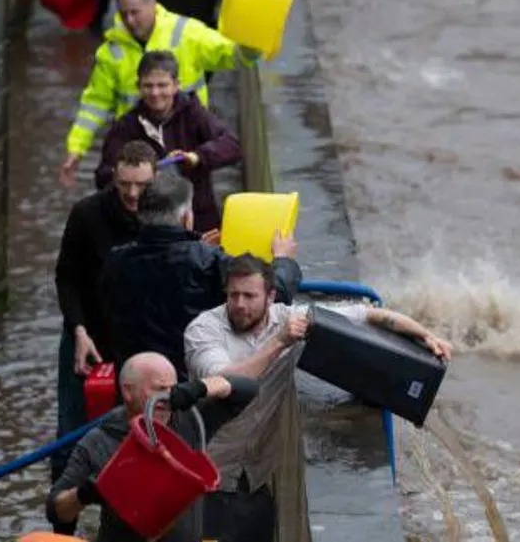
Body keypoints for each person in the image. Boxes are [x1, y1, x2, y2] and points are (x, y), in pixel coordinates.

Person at [184, 253, 452, 542]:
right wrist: (279, 343)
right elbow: (227, 383)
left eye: (249, 296)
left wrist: (426, 336)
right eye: (233, 295)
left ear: (270, 296)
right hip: (207, 474)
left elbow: (367, 314)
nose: (239, 304)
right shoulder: (203, 331)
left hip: (256, 476)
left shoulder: (287, 317)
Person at [100, 172, 301, 380]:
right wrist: (283, 259)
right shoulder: (207, 260)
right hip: (195, 388)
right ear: (186, 216)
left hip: (135, 381)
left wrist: (196, 244)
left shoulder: (115, 260)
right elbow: (273, 293)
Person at [61, 0, 259, 187]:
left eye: (135, 12)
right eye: (123, 14)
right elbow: (94, 105)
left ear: (152, 5)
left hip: (187, 140)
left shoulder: (187, 33)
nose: (129, 20)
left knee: (192, 201)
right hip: (135, 144)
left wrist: (254, 46)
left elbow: (231, 55)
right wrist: (76, 148)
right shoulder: (111, 51)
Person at [50, 140, 156, 528]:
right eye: (125, 184)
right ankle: (63, 529)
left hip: (137, 345)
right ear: (114, 177)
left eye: (141, 186)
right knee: (70, 439)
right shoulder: (86, 214)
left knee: (144, 438)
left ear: (155, 180)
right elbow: (66, 277)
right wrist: (77, 330)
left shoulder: (161, 216)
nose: (132, 194)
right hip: (87, 341)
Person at [46, 352, 260, 542]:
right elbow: (56, 511)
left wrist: (199, 388)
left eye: (172, 389)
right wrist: (84, 494)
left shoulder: (189, 419)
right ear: (128, 392)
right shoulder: (98, 441)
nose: (167, 398)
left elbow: (248, 390)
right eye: (159, 389)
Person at [97, 50, 242, 233]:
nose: (155, 93)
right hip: (145, 228)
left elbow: (232, 145)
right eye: (148, 86)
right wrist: (143, 176)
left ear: (176, 85)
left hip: (199, 221)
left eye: (162, 85)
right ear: (138, 87)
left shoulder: (193, 113)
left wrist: (196, 157)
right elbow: (103, 176)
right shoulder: (125, 126)